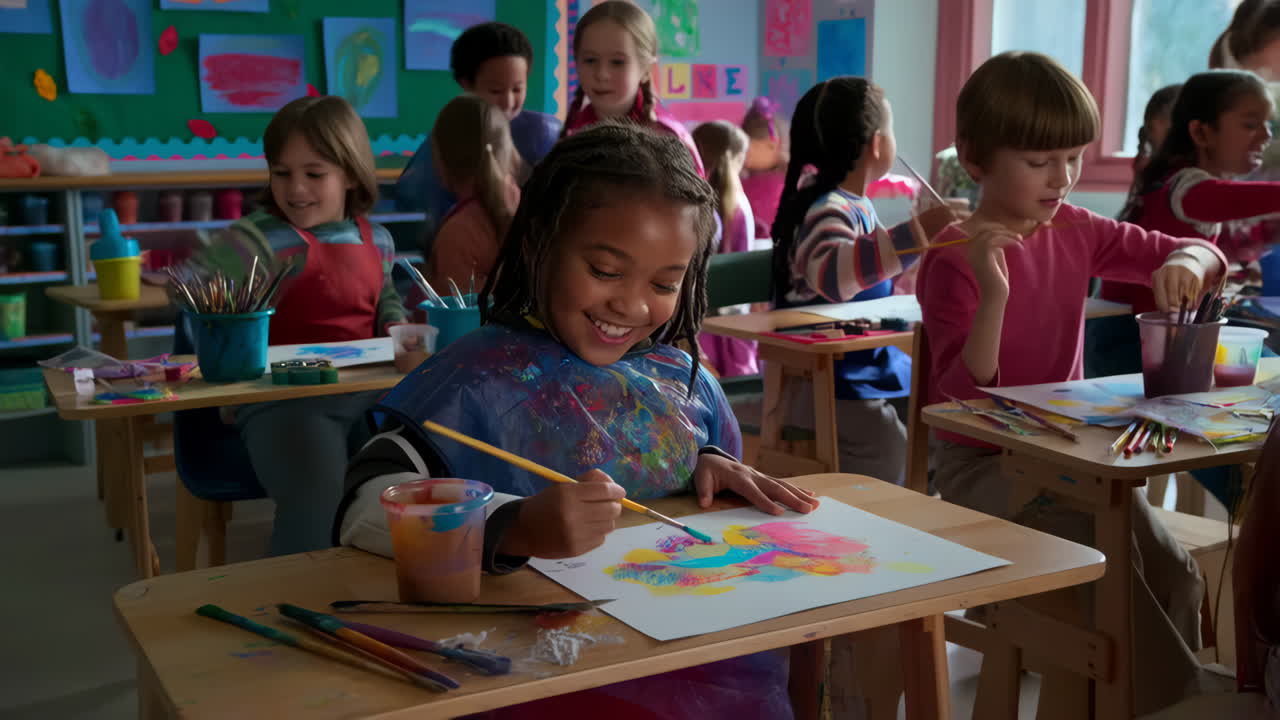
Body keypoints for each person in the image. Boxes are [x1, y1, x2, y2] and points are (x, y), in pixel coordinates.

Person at [337, 122, 815, 719]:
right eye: (606, 271)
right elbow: (361, 509)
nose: (632, 305)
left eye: (666, 283)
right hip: (527, 676)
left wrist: (702, 462)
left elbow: (666, 481)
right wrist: (509, 525)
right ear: (540, 242)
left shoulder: (683, 382)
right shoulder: (474, 377)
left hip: (691, 665)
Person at [919, 51, 1231, 715]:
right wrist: (995, 295)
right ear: (975, 159)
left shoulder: (1074, 229)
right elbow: (956, 404)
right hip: (985, 473)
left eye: (1074, 157)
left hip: (1072, 461)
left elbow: (1210, 253)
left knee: (1174, 572)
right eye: (1039, 162)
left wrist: (1185, 256)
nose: (1062, 178)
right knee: (1113, 574)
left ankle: (1160, 699)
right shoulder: (953, 254)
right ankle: (1176, 703)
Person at [196, 96, 404, 555]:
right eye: (281, 172)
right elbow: (202, 303)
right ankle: (296, 606)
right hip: (284, 399)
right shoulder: (255, 237)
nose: (295, 189)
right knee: (317, 504)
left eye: (314, 174)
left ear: (350, 174)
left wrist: (396, 325)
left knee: (413, 485)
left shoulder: (378, 238)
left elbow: (384, 297)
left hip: (367, 391)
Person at [769, 77, 954, 485]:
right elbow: (837, 278)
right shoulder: (826, 208)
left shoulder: (855, 205)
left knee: (936, 406)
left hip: (856, 361)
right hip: (821, 376)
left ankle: (911, 494)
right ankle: (879, 509)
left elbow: (871, 280)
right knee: (889, 445)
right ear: (875, 143)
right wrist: (916, 233)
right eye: (890, 129)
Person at [395, 22, 560, 223]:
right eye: (496, 91)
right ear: (466, 85)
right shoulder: (449, 139)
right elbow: (422, 208)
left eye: (517, 89)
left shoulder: (543, 134)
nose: (508, 102)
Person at [560, 1, 704, 176]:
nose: (602, 74)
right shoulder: (574, 133)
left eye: (617, 62)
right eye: (590, 60)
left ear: (645, 69)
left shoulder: (669, 140)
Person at [425, 94, 520, 292]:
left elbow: (455, 315)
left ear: (441, 161)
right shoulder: (522, 205)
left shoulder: (459, 233)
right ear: (509, 154)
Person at [692, 120, 759, 378]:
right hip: (725, 330)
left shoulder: (689, 203)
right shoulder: (739, 207)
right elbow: (741, 286)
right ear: (733, 159)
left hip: (698, 325)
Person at [740, 97, 789, 241]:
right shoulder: (740, 180)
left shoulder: (789, 181)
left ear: (772, 145)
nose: (745, 153)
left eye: (752, 147)